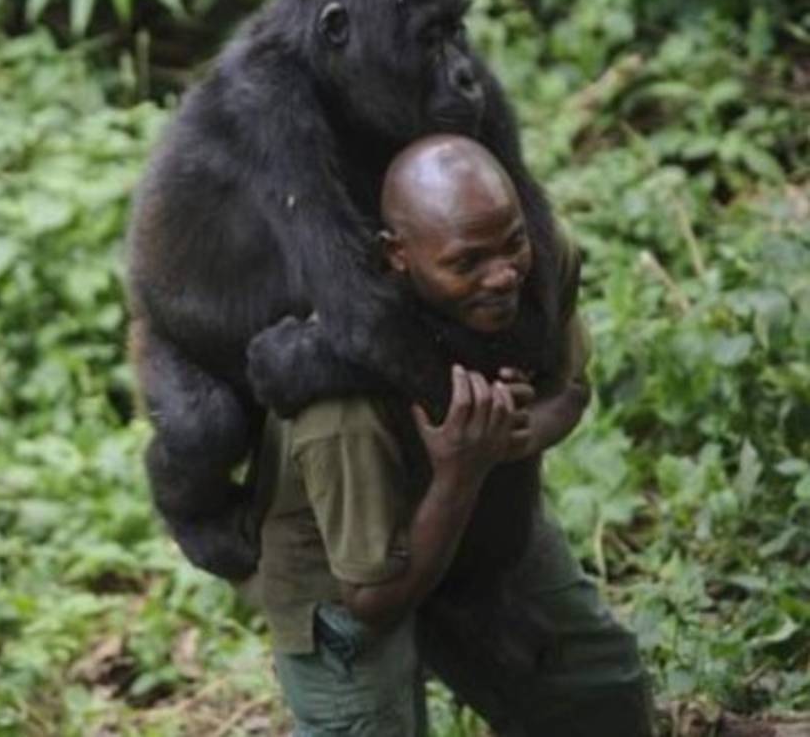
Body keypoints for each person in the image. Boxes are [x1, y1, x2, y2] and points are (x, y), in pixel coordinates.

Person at [244, 135, 653, 736]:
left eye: (511, 243)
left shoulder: (539, 261)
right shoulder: (338, 408)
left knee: (597, 690)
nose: (501, 276)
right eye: (466, 263)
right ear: (397, 256)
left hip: (481, 500)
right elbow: (371, 601)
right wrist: (461, 471)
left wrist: (508, 437)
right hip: (344, 567)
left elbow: (569, 391)